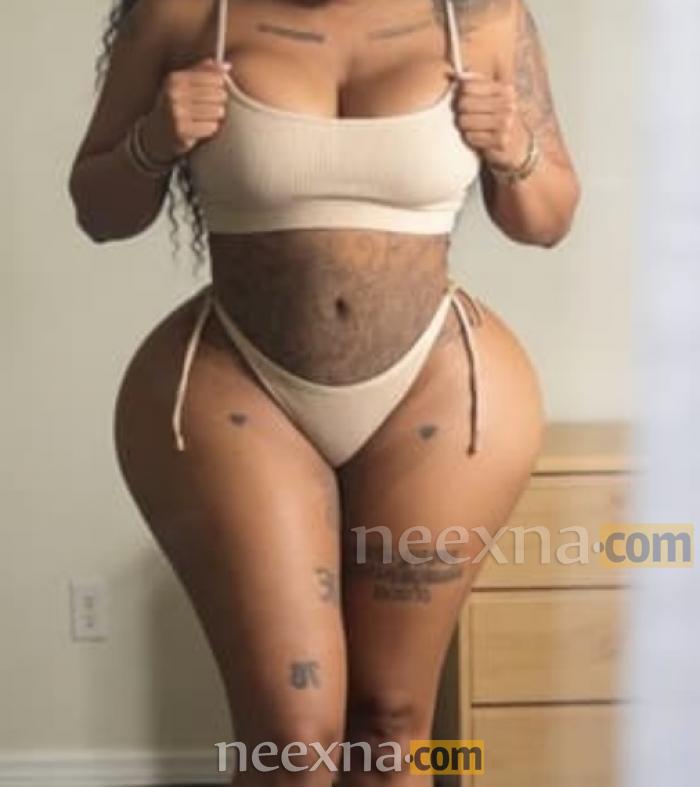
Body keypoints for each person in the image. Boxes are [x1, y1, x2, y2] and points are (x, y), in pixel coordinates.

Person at [69, 0, 579, 784]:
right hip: (242, 388)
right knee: (291, 740)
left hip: (435, 393)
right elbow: (100, 211)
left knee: (393, 725)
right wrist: (153, 141)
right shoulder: (185, 12)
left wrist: (513, 147)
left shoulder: (481, 15)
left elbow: (546, 220)